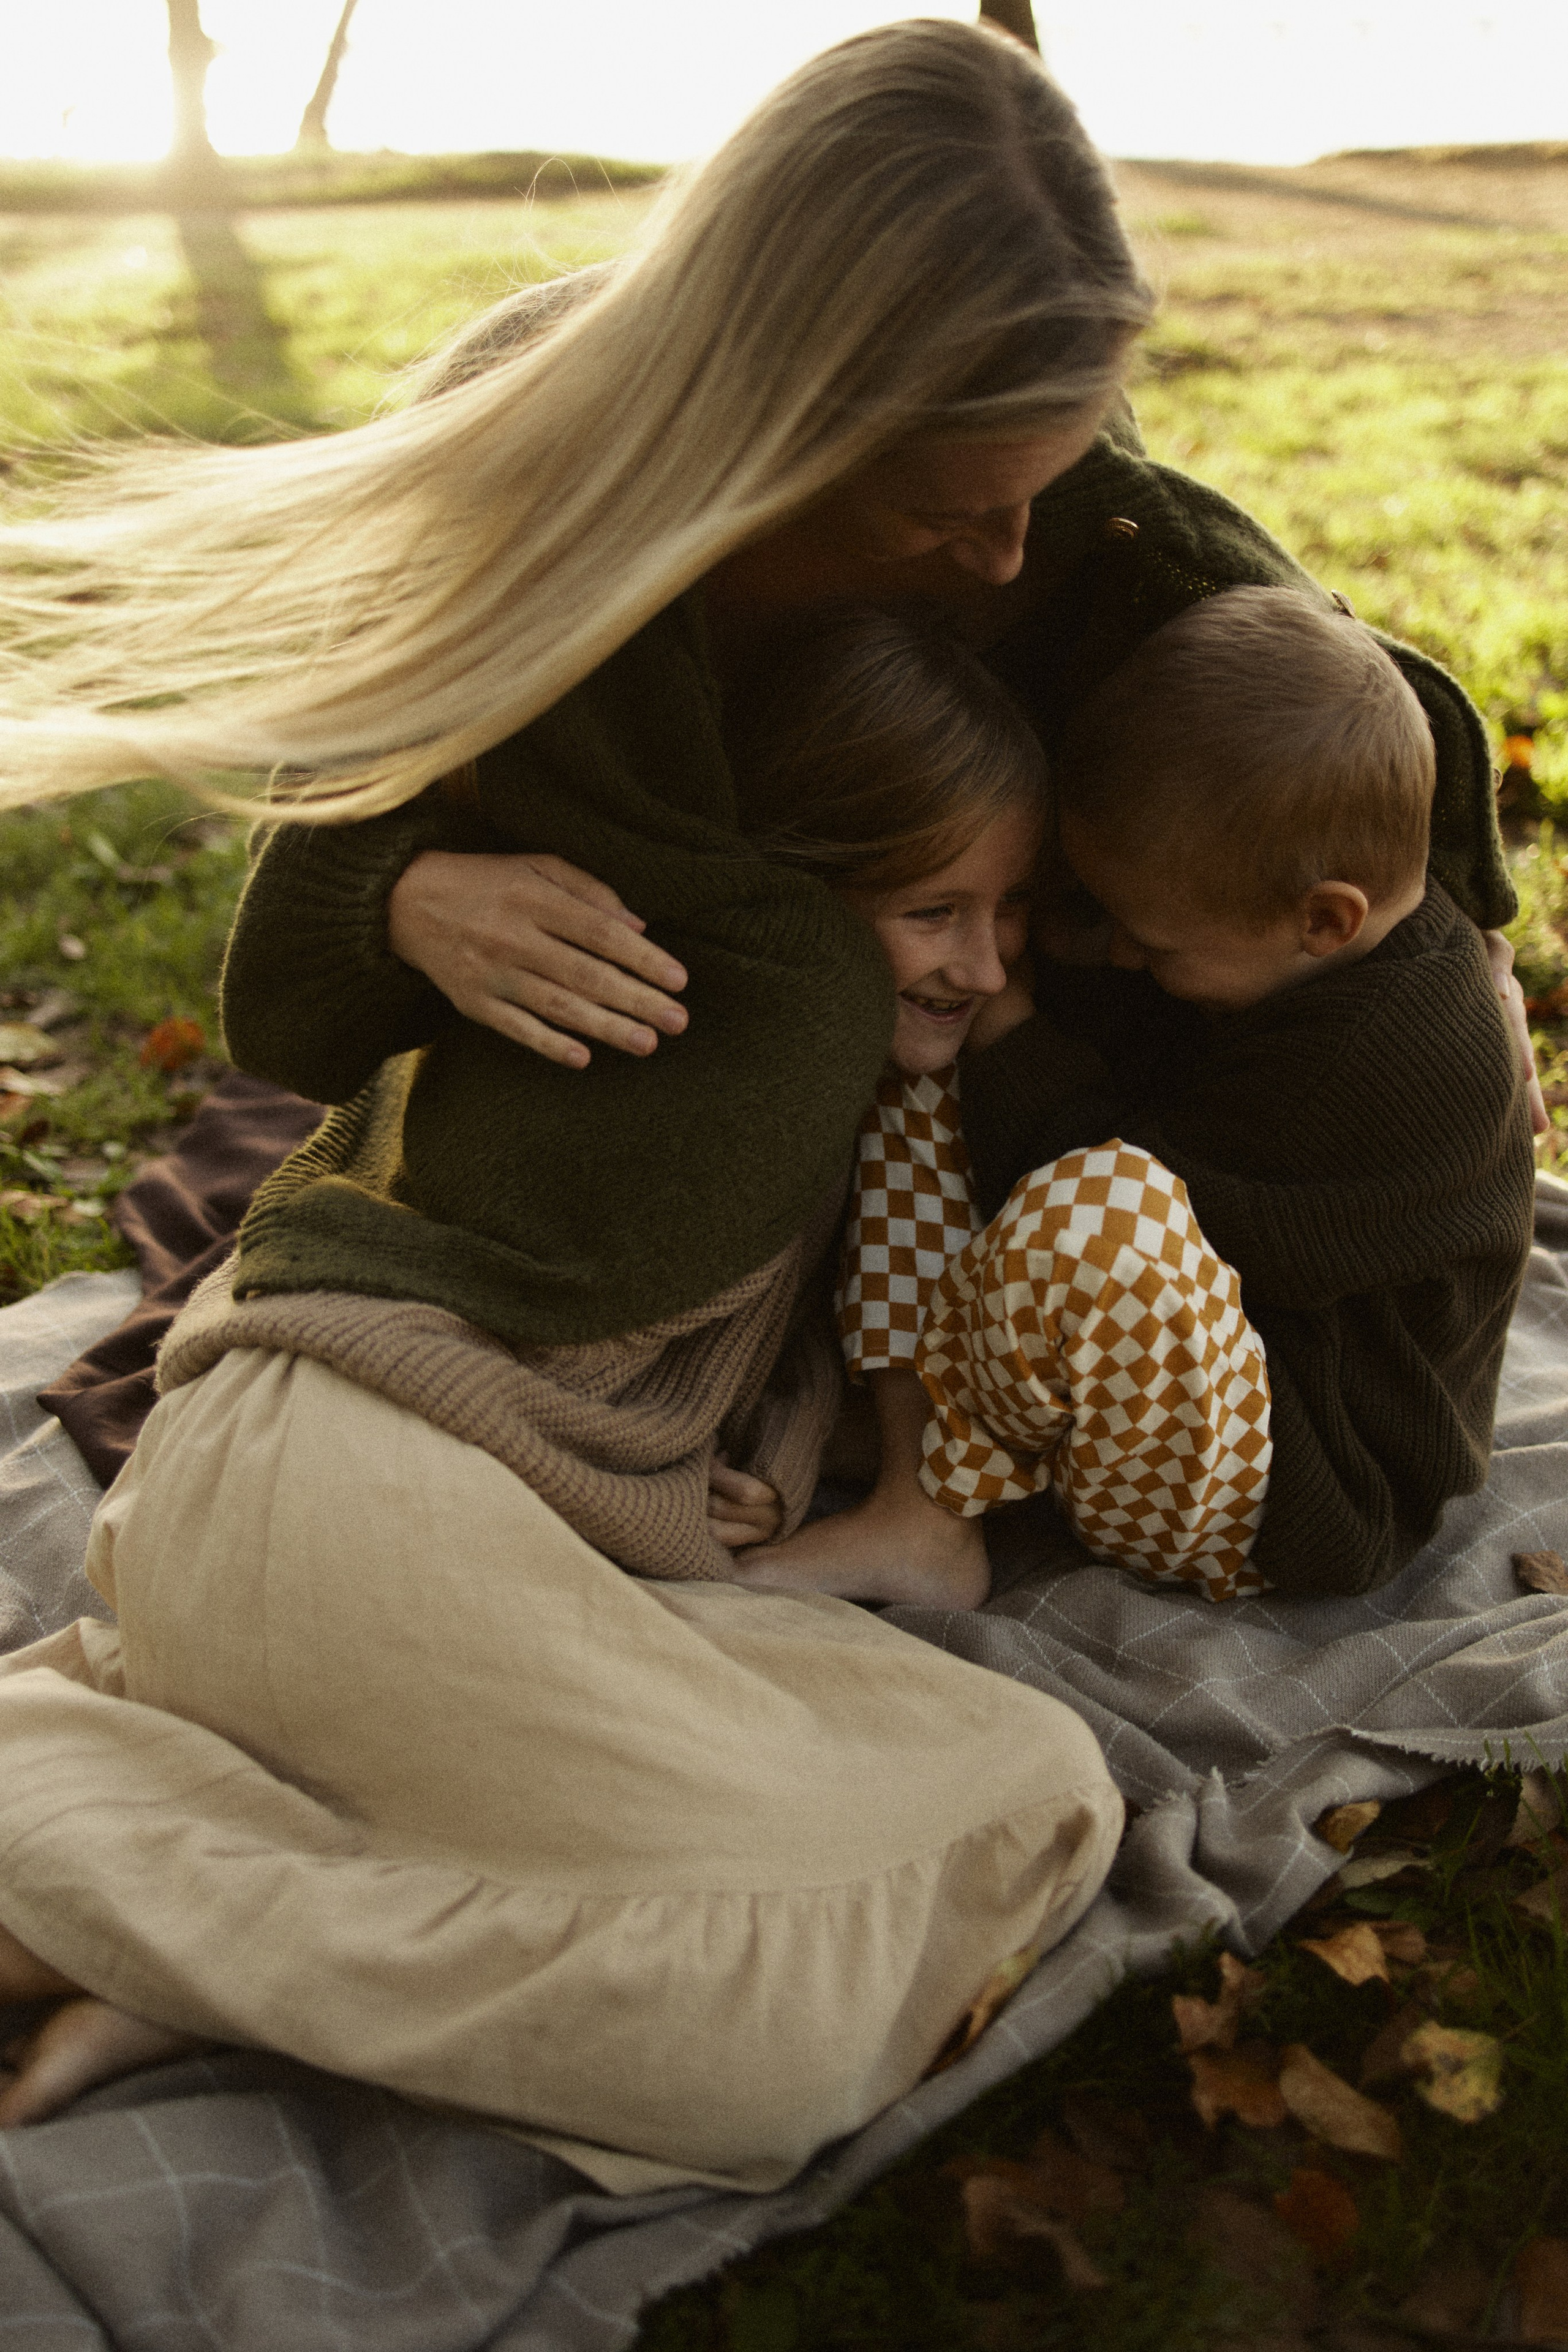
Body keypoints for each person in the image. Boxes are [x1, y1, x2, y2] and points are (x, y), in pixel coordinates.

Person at [0, 23, 1149, 2181]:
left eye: (1038, 499)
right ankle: (75, 1849)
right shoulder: (537, 471)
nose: (1007, 564)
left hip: (537, 1499)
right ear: (792, 421)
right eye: (945, 507)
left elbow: (1230, 614)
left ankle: (169, 1898)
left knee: (1023, 1798)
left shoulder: (1011, 525)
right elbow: (289, 949)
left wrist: (1427, 877)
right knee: (773, 2035)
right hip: (360, 1430)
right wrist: (411, 885)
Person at [742, 586, 1534, 1612]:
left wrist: (1021, 1037)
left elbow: (1138, 1204)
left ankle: (937, 1512)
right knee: (934, 1065)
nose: (1118, 953)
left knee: (1101, 1207)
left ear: (1325, 921)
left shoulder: (1379, 1063)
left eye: (1151, 943)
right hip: (1158, 1384)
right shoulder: (1290, 949)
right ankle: (913, 1456)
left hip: (1282, 1486)